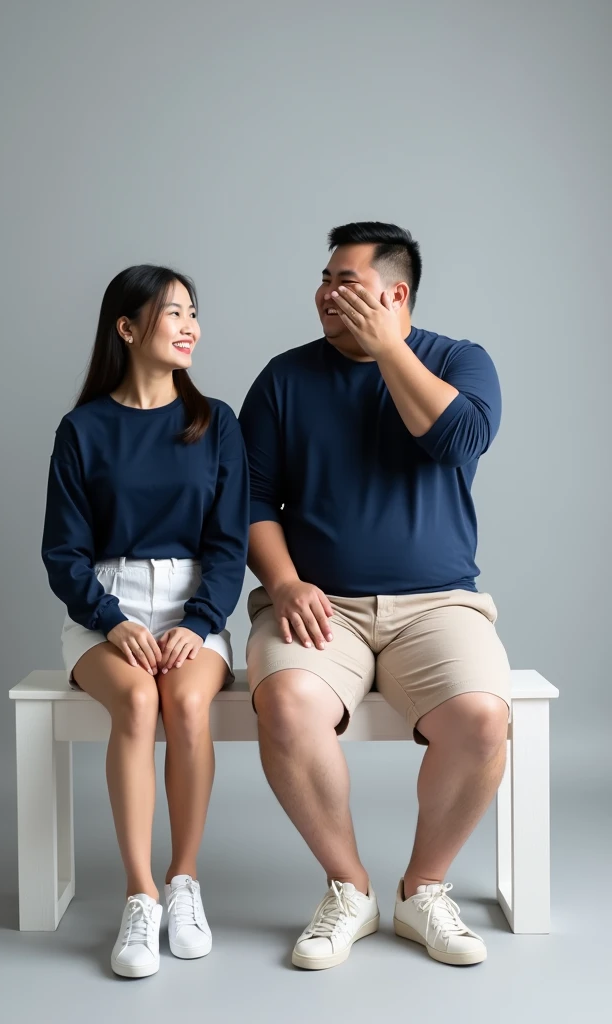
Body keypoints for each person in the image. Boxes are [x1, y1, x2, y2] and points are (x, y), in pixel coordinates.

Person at [238, 222, 510, 970]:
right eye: (324, 278)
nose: (325, 294)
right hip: (319, 603)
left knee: (485, 718)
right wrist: (285, 581)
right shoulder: (285, 379)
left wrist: (389, 349)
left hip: (440, 605)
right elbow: (252, 499)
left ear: (395, 295)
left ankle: (423, 891)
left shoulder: (459, 360)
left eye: (345, 282)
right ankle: (348, 889)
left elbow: (455, 440)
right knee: (287, 704)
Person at [41, 265, 249, 978]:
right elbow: (62, 552)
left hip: (197, 607)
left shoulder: (216, 422)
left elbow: (229, 543)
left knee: (188, 704)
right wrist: (110, 620)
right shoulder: (83, 429)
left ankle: (184, 881)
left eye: (195, 312)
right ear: (127, 329)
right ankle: (141, 895)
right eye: (173, 314)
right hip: (105, 605)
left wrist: (200, 620)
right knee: (135, 700)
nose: (190, 326)